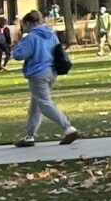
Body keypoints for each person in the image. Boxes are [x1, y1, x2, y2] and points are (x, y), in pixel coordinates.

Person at [7, 9, 78, 148]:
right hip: (51, 72)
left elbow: (20, 54)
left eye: (24, 25)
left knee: (44, 104)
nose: (23, 28)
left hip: (37, 73)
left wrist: (14, 50)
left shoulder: (31, 37)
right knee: (36, 106)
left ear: (28, 23)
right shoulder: (51, 34)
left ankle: (68, 129)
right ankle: (29, 136)